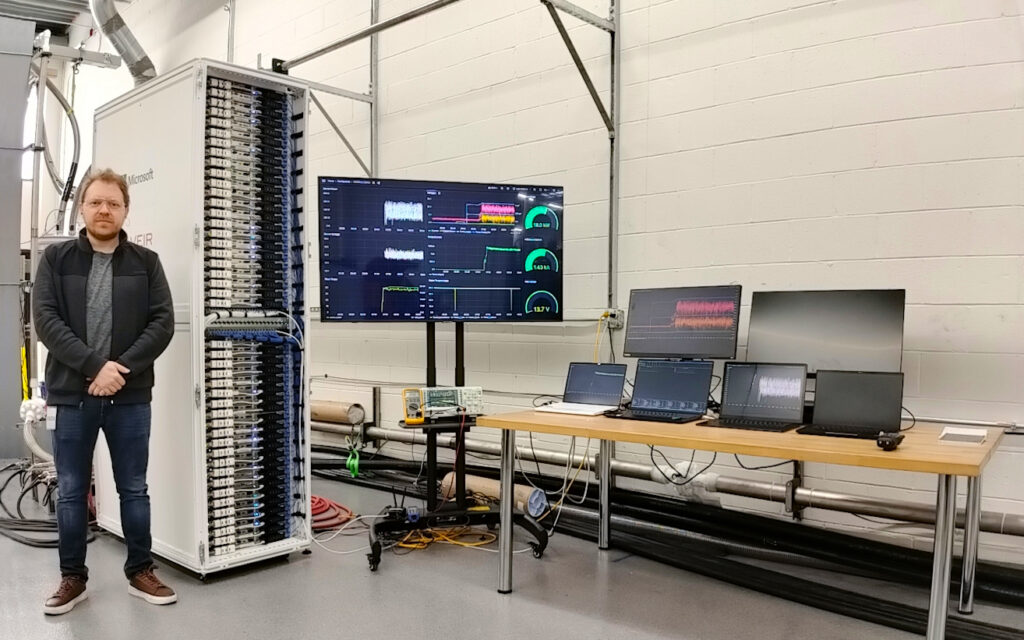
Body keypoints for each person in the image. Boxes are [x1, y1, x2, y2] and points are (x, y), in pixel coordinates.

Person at [33, 168, 176, 615]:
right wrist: (96, 366)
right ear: (82, 207)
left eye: (113, 203)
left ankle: (140, 571)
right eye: (96, 202)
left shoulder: (146, 263)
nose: (104, 210)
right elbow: (47, 322)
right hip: (71, 395)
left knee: (134, 487)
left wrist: (121, 369)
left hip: (129, 397)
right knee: (73, 490)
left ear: (126, 209)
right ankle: (73, 578)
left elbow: (162, 323)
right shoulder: (56, 261)